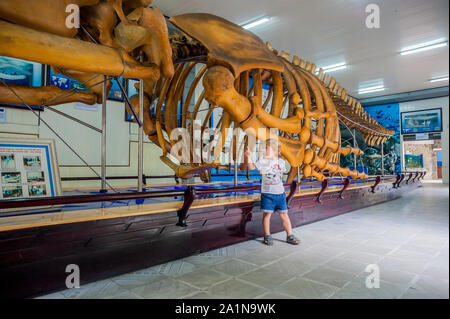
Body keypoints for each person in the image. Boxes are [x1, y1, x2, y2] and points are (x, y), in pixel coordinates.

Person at [243, 139, 300, 246]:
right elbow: (251, 167)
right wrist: (249, 157)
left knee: (284, 215)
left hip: (280, 194)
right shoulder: (263, 161)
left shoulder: (281, 162)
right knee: (267, 215)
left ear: (273, 149)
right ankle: (267, 235)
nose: (263, 150)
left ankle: (290, 235)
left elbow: (280, 175)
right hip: (267, 194)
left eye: (265, 148)